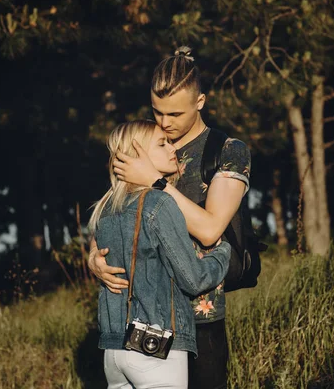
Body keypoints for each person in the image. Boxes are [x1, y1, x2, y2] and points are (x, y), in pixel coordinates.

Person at [89, 47, 251, 389]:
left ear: (201, 101)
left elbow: (209, 230)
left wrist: (155, 181)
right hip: (140, 319)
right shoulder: (145, 142)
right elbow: (115, 209)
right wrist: (94, 256)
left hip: (200, 317)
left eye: (175, 113)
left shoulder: (227, 151)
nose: (164, 122)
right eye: (157, 111)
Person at [90, 119, 231, 389]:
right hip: (154, 346)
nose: (171, 149)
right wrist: (224, 252)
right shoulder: (160, 202)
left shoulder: (105, 209)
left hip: (113, 350)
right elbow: (194, 279)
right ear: (138, 154)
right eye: (161, 143)